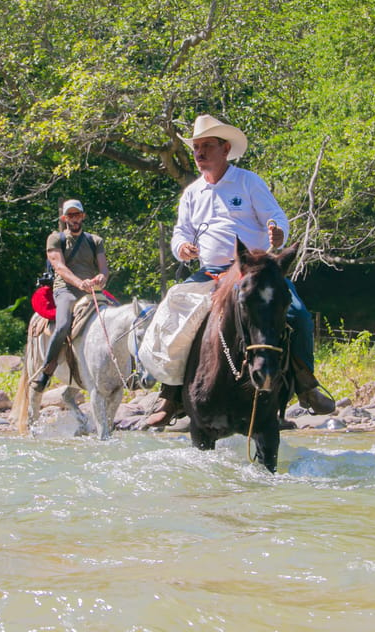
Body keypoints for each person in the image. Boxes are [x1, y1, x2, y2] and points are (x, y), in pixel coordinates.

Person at [144, 114, 335, 426]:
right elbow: (181, 233)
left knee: (298, 314)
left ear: (225, 148)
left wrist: (277, 232)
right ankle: (171, 393)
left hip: (253, 272)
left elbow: (276, 216)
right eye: (196, 147)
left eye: (207, 146)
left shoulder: (248, 182)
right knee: (173, 310)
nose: (199, 152)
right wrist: (182, 248)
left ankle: (306, 385)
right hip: (212, 273)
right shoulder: (193, 192)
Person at [30, 199, 109, 391]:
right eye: (70, 215)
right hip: (65, 289)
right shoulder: (55, 239)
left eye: (77, 214)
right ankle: (47, 370)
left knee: (118, 319)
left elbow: (104, 269)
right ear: (64, 218)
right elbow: (59, 266)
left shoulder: (95, 240)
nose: (74, 219)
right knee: (64, 323)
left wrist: (100, 278)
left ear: (83, 216)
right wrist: (79, 283)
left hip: (90, 289)